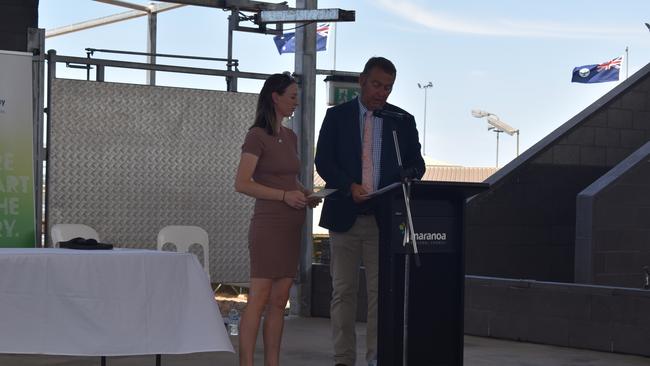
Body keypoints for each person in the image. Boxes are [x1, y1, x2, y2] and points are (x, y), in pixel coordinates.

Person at [315, 57, 425, 366]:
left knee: (381, 295)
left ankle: (377, 357)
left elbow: (418, 164)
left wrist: (407, 176)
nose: (382, 93)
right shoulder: (337, 117)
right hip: (344, 217)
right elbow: (323, 161)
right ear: (362, 81)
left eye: (388, 87)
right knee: (343, 292)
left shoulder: (401, 120)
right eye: (377, 85)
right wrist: (349, 185)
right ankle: (343, 359)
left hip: (383, 219)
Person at [235, 72, 320, 366]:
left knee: (279, 301)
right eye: (292, 97)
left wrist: (304, 193)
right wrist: (284, 197)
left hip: (291, 225)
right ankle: (247, 363)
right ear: (276, 97)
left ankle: (273, 362)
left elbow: (288, 179)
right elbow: (243, 183)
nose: (297, 102)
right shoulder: (256, 135)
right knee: (258, 298)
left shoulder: (291, 136)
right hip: (269, 225)